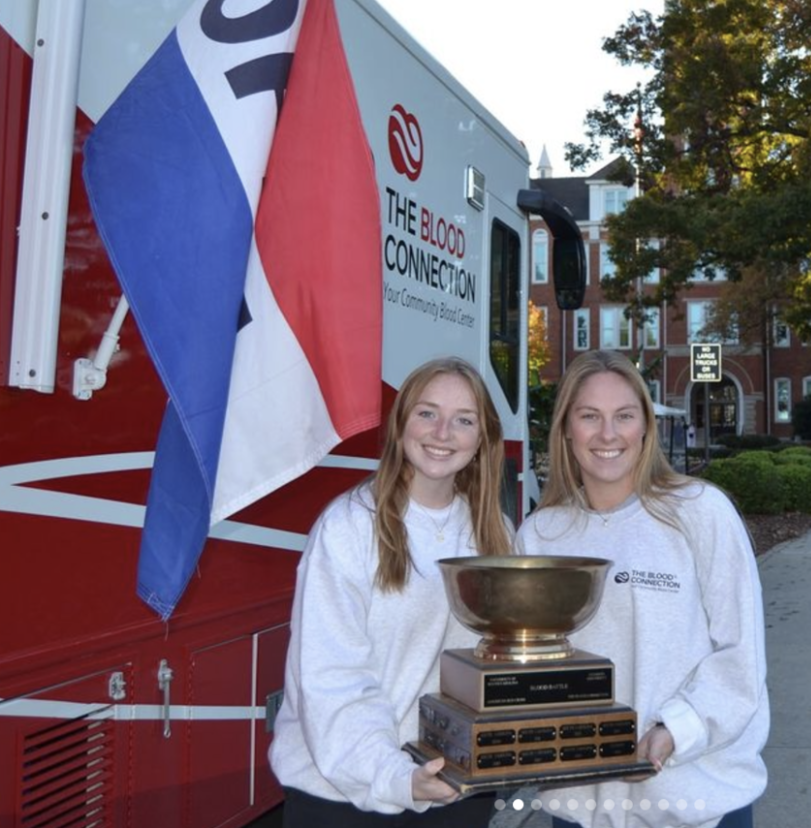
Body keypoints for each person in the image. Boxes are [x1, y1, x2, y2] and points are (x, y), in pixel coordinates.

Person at [517, 350, 769, 828]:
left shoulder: (699, 512)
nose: (608, 434)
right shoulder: (540, 535)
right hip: (579, 805)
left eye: (624, 416)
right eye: (589, 416)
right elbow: (529, 664)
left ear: (646, 428)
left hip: (695, 800)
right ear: (567, 429)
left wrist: (675, 729)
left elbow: (741, 656)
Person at [269, 356, 511, 827]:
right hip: (343, 795)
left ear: (482, 441)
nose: (442, 432)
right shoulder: (348, 527)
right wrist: (395, 775)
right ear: (401, 423)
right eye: (427, 413)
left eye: (464, 420)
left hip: (456, 787)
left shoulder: (495, 533)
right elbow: (332, 678)